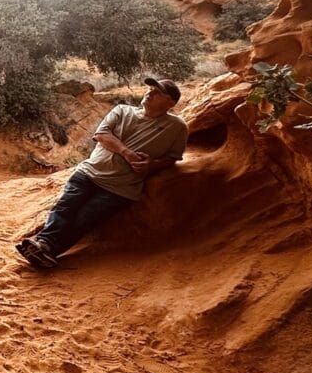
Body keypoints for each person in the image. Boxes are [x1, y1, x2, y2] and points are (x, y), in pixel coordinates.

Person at [15, 77, 187, 270]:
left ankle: (45, 248)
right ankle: (45, 246)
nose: (150, 93)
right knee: (65, 208)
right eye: (150, 89)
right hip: (89, 172)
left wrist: (152, 165)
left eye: (157, 92)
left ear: (170, 103)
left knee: (85, 218)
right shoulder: (122, 111)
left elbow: (173, 157)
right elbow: (101, 135)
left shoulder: (177, 128)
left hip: (121, 188)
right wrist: (126, 153)